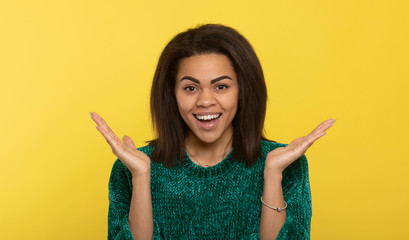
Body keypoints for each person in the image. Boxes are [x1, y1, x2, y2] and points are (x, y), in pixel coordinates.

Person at [90, 24, 335, 240]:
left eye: (221, 86)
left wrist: (272, 174)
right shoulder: (133, 167)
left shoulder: (286, 165)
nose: (206, 101)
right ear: (172, 94)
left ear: (243, 91)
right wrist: (141, 177)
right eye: (190, 88)